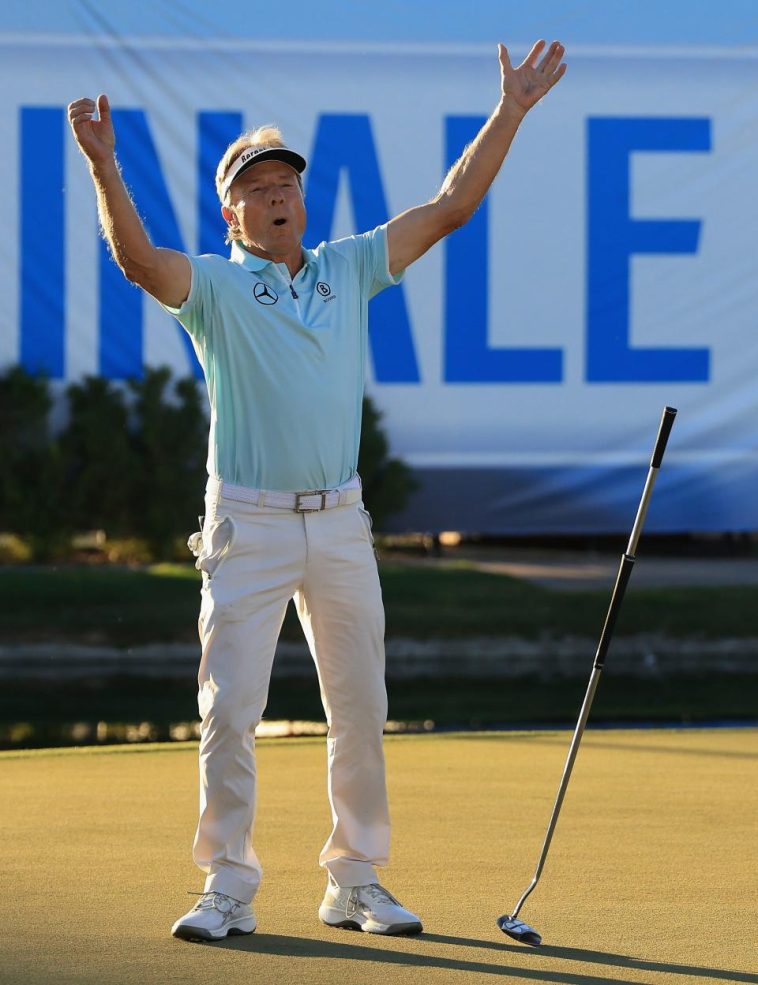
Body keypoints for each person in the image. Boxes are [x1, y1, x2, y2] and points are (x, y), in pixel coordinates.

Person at [68, 39, 566, 943]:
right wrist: (106, 165)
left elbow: (452, 206)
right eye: (258, 188)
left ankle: (356, 879)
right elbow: (140, 261)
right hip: (246, 527)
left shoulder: (347, 266)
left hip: (340, 521)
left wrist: (514, 111)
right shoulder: (215, 287)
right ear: (233, 212)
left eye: (287, 183)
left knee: (362, 708)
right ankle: (227, 884)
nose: (278, 196)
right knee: (230, 713)